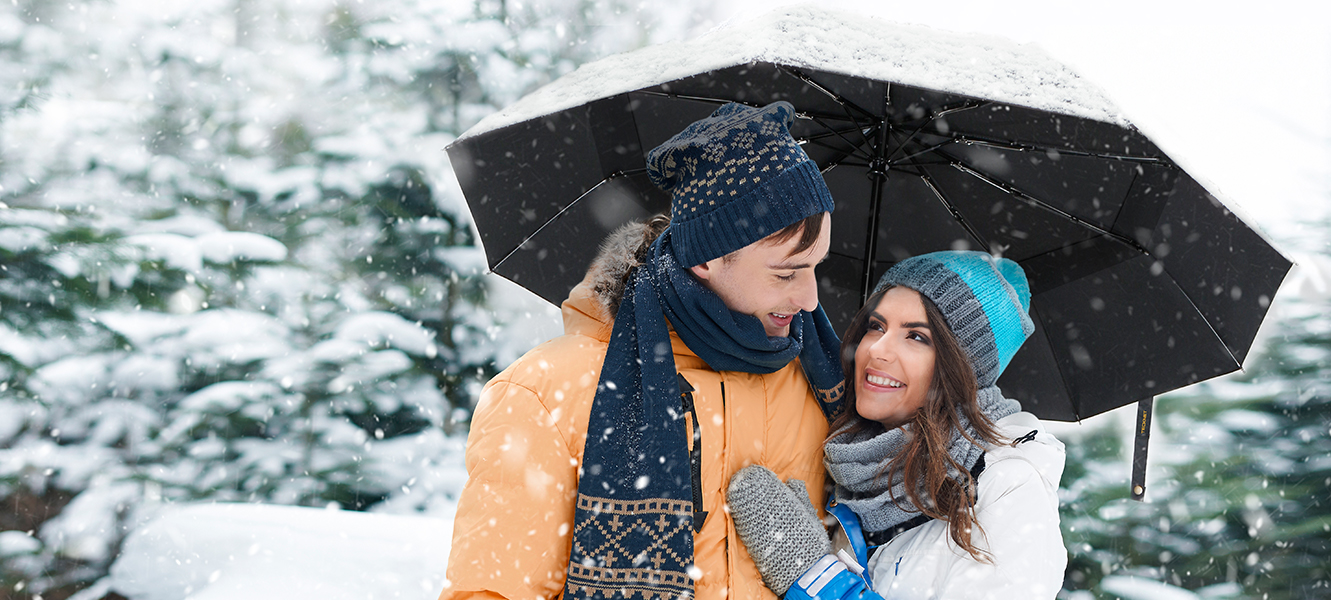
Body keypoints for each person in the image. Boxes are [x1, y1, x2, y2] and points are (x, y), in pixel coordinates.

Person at [439, 101, 847, 600]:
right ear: (707, 259)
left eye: (816, 266)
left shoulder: (817, 382)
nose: (810, 299)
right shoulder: (547, 393)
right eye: (786, 273)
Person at [727, 251, 1067, 600]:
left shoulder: (1008, 486)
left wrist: (817, 578)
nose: (877, 350)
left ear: (961, 369)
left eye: (917, 337)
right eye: (876, 326)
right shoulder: (852, 461)